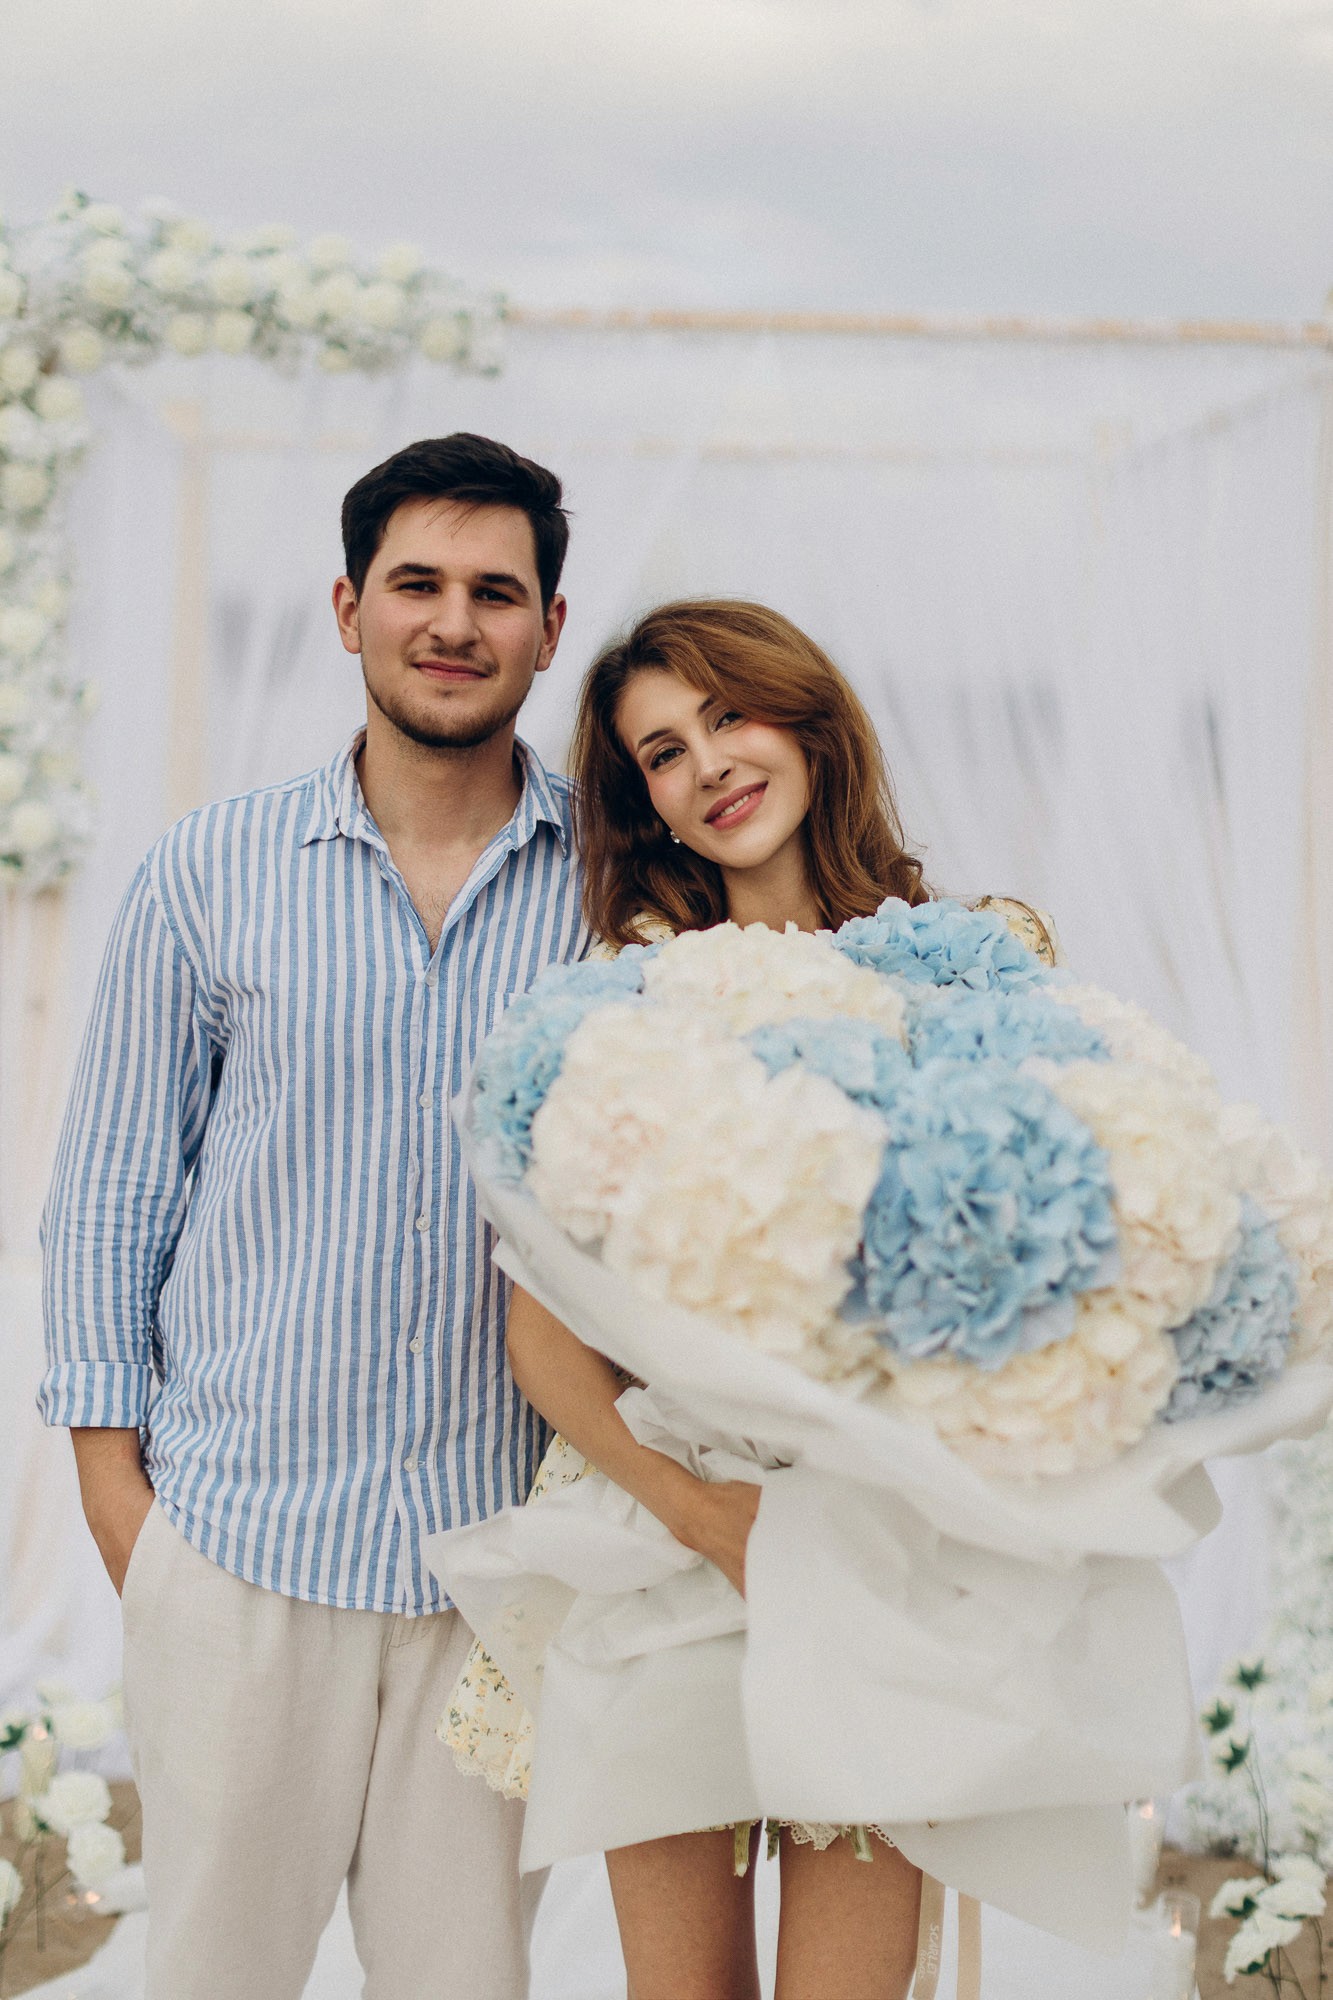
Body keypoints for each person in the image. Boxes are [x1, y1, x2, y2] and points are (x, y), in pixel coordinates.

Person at [38, 432, 586, 2000]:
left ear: (550, 626)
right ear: (348, 609)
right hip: (240, 1559)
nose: (454, 622)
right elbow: (112, 1198)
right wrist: (130, 1526)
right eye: (417, 583)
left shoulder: (619, 891)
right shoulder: (207, 874)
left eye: (495, 592)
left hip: (501, 1577)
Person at [445, 600, 1058, 2000]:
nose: (708, 763)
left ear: (807, 716)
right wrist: (702, 1518)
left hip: (886, 1550)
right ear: (646, 806)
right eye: (663, 752)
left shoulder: (980, 961)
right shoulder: (621, 1003)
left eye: (728, 715)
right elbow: (543, 1337)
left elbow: (1046, 1281)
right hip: (667, 1546)